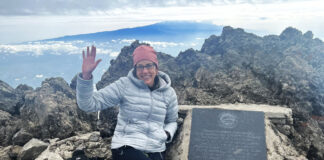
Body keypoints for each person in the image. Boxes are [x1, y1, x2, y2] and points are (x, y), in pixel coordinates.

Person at [76, 45, 179, 160]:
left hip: (155, 148)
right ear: (135, 69)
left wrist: (166, 134)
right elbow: (88, 104)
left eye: (149, 65)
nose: (145, 71)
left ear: (156, 67)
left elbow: (172, 121)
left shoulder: (168, 93)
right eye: (140, 67)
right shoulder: (124, 85)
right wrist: (86, 76)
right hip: (126, 147)